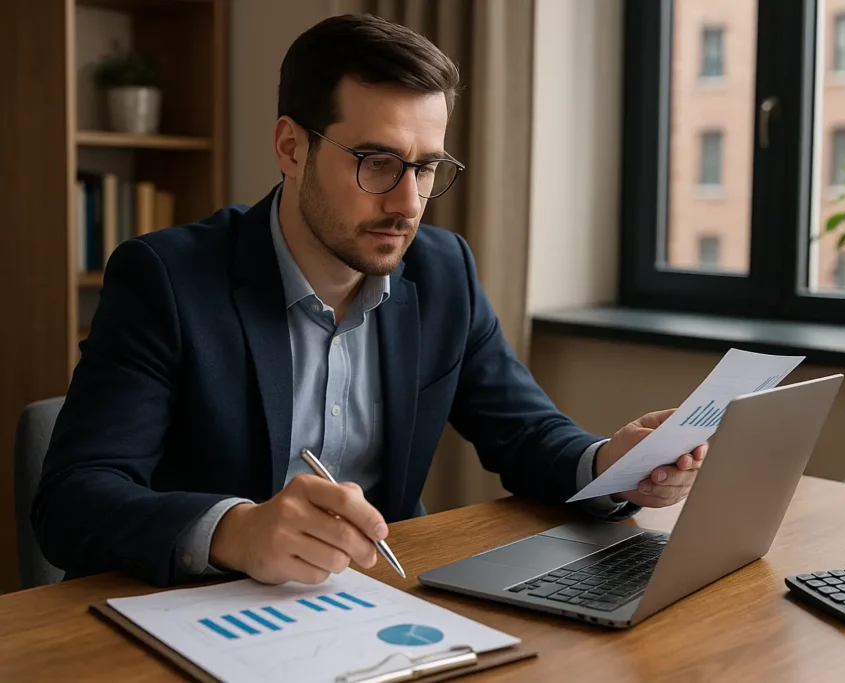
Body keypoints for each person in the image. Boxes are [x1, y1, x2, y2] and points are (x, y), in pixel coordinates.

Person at [31, 13, 705, 589]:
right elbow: (73, 501)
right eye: (376, 162)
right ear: (291, 147)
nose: (408, 203)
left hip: (376, 605)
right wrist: (235, 530)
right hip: (195, 614)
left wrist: (608, 466)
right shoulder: (167, 279)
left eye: (426, 167)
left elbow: (524, 431)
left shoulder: (444, 272)